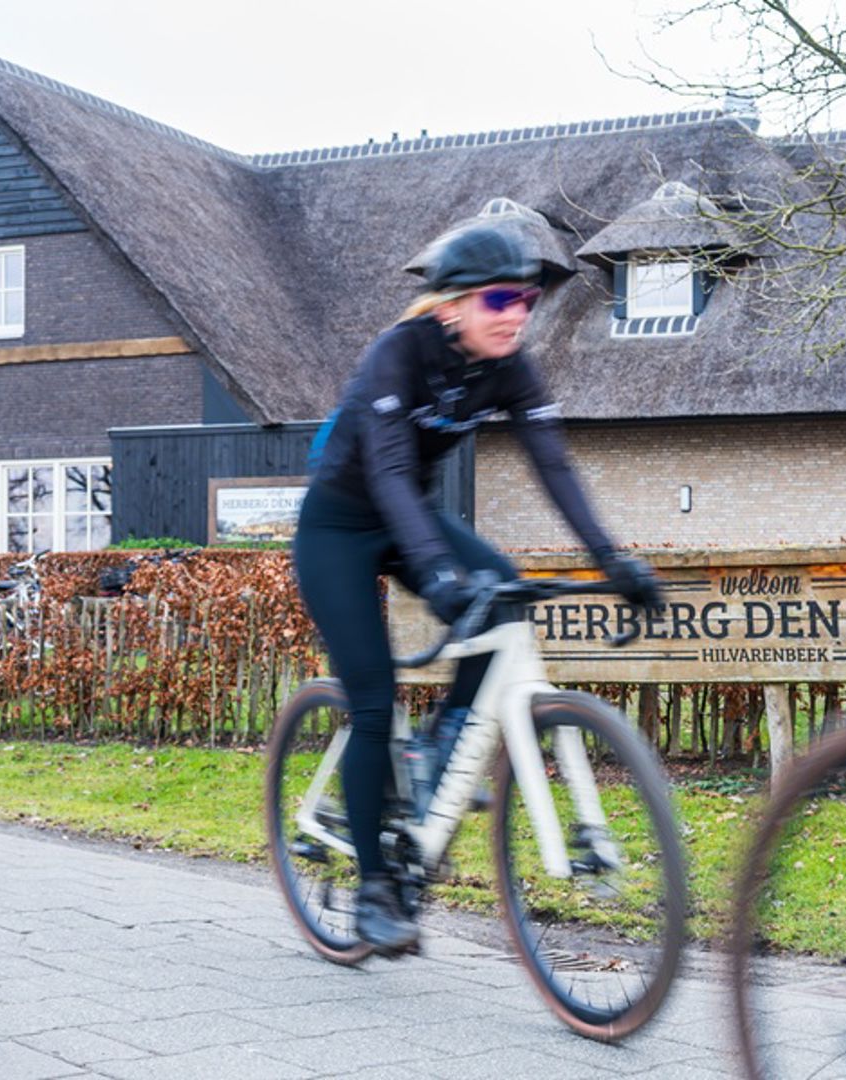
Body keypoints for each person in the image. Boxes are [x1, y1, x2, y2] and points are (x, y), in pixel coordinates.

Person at [295, 225, 663, 952]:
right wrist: (434, 572)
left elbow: (552, 466)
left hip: (411, 519)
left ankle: (440, 745)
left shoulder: (510, 367)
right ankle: (374, 888)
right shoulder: (395, 356)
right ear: (450, 305)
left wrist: (613, 560)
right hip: (340, 528)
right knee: (371, 705)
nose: (515, 314)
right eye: (499, 298)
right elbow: (392, 474)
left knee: (502, 594)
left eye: (525, 299)